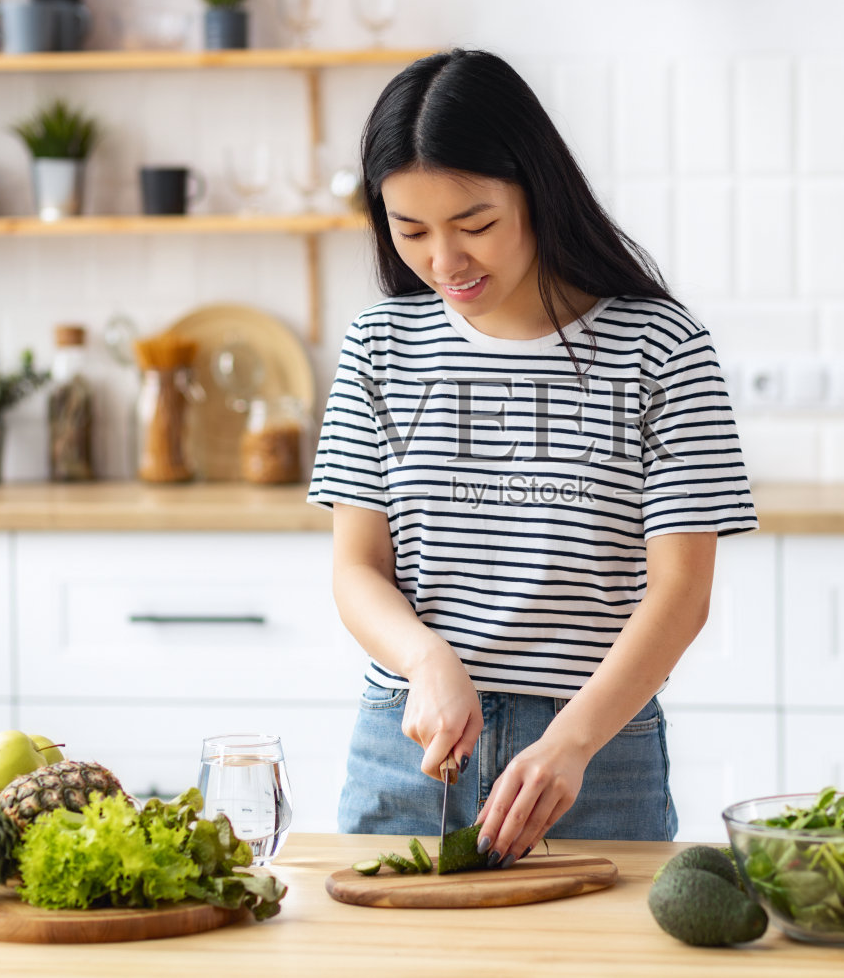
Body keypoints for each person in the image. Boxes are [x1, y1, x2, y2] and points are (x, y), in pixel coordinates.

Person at [307, 48, 757, 868]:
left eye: (474, 224)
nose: (445, 261)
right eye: (411, 230)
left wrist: (573, 741)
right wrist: (426, 658)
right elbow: (356, 569)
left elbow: (682, 593)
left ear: (537, 190)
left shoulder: (661, 347)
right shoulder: (380, 346)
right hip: (409, 747)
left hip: (596, 756)